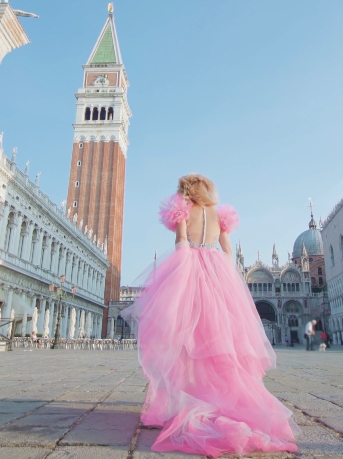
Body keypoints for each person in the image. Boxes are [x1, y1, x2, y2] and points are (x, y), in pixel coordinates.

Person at [120, 175, 299, 457]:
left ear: (185, 191)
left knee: (186, 341)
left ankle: (187, 401)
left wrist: (179, 276)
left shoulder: (182, 210)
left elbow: (181, 242)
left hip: (190, 270)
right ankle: (219, 399)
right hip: (217, 273)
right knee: (218, 340)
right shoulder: (220, 214)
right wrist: (227, 281)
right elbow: (227, 251)